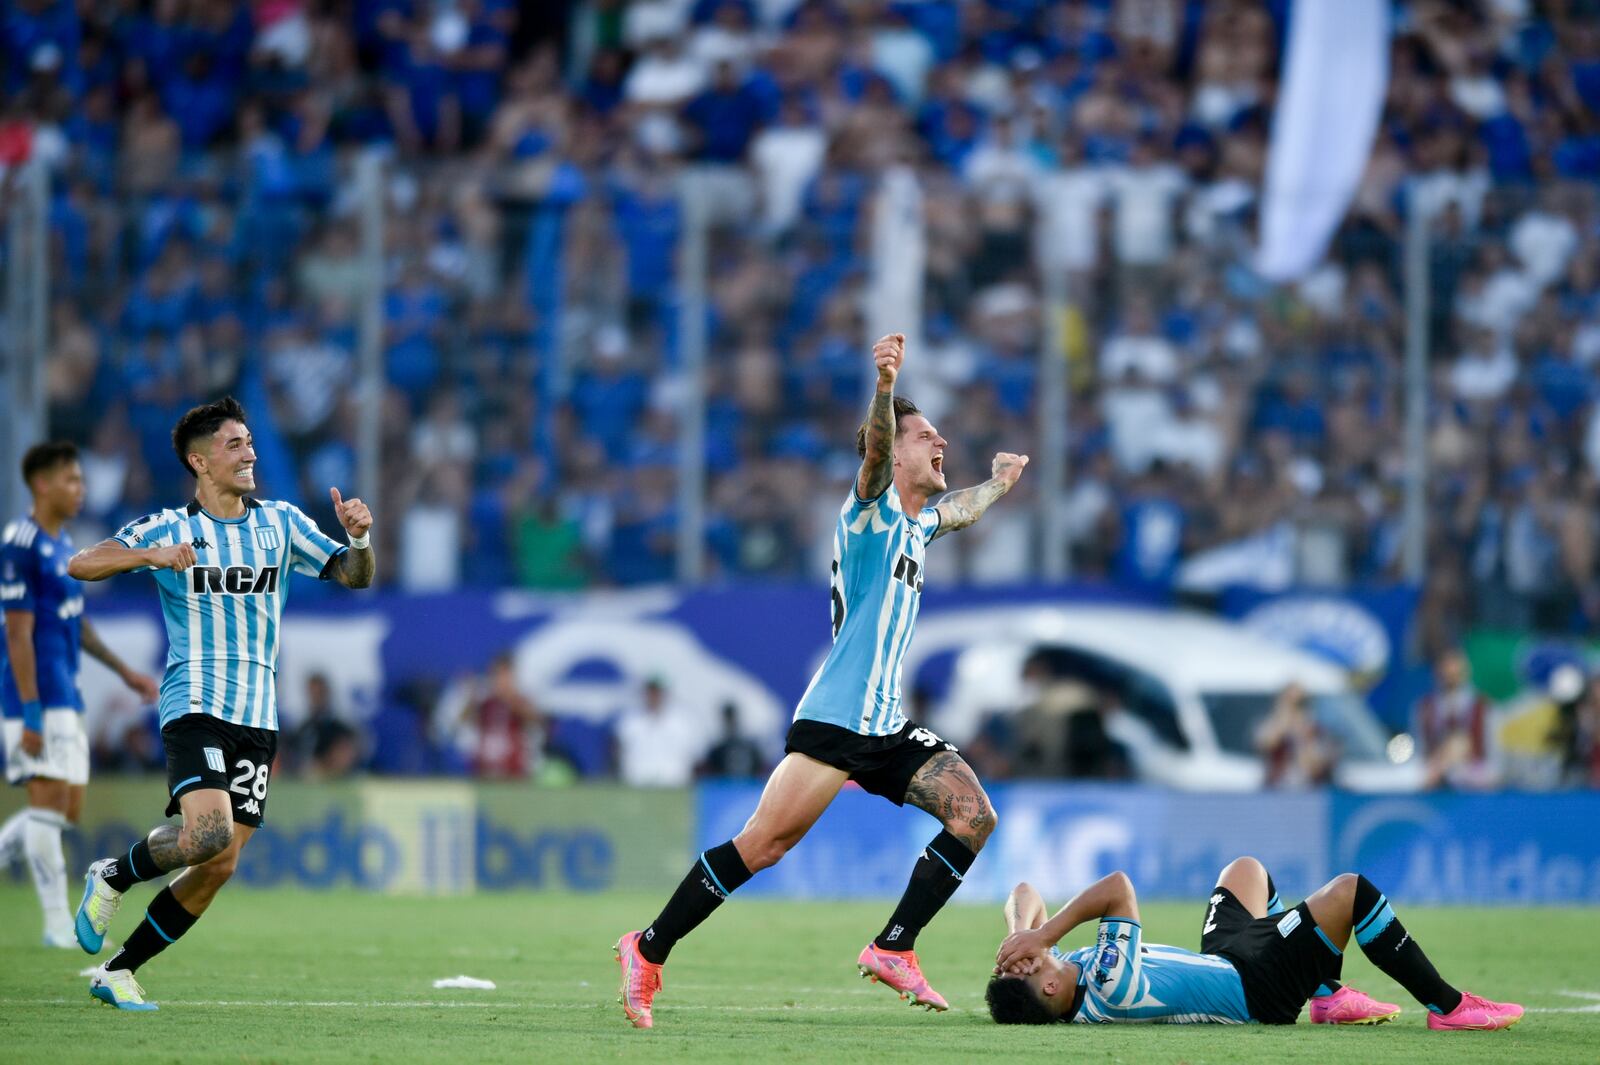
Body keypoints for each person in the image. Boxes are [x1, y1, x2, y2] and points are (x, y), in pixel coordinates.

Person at [614, 333, 1030, 1027]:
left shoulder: (917, 524)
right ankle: (647, 947)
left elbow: (959, 510)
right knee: (763, 846)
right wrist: (885, 385)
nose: (941, 442)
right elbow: (871, 455)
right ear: (894, 449)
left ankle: (894, 945)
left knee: (974, 815)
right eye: (927, 434)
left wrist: (999, 484)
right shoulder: (867, 513)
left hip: (886, 724)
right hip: (837, 719)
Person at [64, 396, 375, 1010]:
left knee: (219, 863)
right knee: (206, 833)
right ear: (198, 460)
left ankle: (118, 970)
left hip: (259, 717)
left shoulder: (281, 522)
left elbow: (352, 575)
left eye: (251, 442)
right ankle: (113, 875)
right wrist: (146, 556)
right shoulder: (168, 528)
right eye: (235, 445)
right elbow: (81, 562)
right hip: (196, 703)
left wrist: (360, 539)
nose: (250, 453)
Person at [986, 857, 1523, 1030]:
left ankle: (1327, 993)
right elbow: (1118, 889)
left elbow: (1025, 893)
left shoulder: (1069, 977)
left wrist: (1018, 933)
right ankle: (1449, 1007)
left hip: (1226, 960)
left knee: (1246, 870)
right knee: (1350, 892)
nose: (1027, 959)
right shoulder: (1108, 984)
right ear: (1051, 986)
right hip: (1256, 988)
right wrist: (1044, 933)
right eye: (1026, 969)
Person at [0, 442, 159, 946]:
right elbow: (17, 633)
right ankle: (55, 926)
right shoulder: (20, 544)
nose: (81, 490)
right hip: (37, 696)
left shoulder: (61, 543)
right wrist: (27, 710)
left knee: (66, 811)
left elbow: (78, 624)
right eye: (72, 480)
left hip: (66, 695)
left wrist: (124, 671)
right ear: (41, 484)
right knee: (47, 810)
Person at [1413, 649, 1498, 790]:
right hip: (1435, 784)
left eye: (1455, 674)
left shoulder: (1484, 708)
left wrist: (1463, 773)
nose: (1450, 676)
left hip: (1476, 784)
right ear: (1437, 673)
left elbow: (1495, 762)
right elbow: (1420, 753)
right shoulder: (1423, 708)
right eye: (1446, 672)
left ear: (1466, 673)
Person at [614, 676, 700, 788]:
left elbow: (694, 757)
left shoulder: (682, 723)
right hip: (637, 784)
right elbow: (619, 753)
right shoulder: (630, 722)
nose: (654, 696)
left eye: (657, 692)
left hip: (673, 785)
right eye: (651, 692)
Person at [286, 672, 360, 779]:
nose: (315, 698)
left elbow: (347, 758)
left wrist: (324, 766)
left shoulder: (341, 730)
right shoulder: (302, 728)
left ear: (327, 693)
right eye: (312, 693)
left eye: (319, 693)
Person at [699, 702, 765, 779]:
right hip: (726, 788)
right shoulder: (717, 750)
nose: (731, 722)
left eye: (731, 718)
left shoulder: (751, 748)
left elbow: (762, 770)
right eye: (729, 719)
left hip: (749, 788)